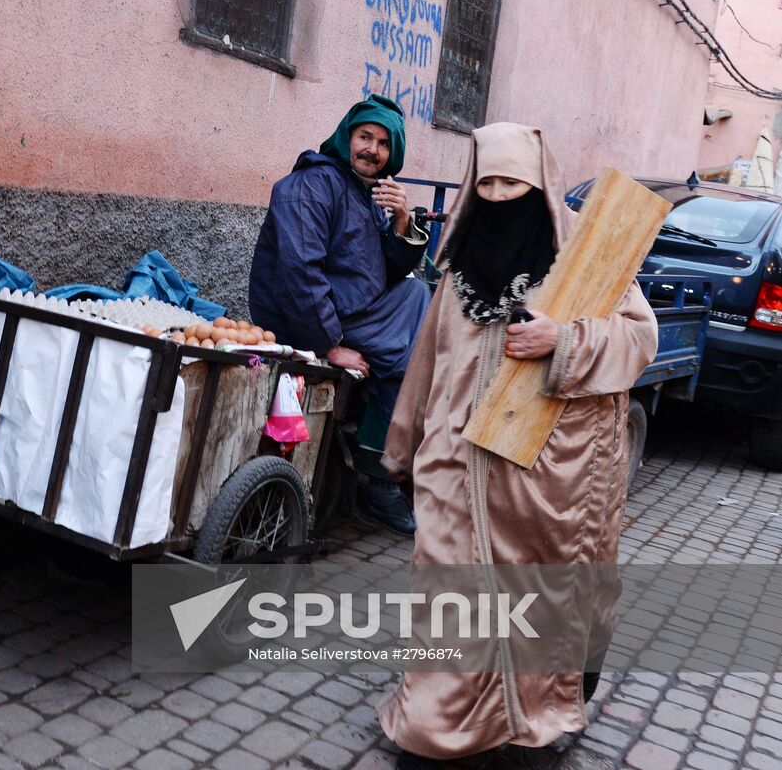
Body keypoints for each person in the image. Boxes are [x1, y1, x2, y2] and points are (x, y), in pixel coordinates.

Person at [377, 123, 657, 768]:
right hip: (451, 461)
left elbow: (640, 340)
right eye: (488, 183)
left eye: (515, 184)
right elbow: (427, 362)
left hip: (538, 473)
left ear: (541, 188)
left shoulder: (586, 264)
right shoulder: (454, 274)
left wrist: (565, 339)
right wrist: (403, 445)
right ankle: (433, 725)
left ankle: (528, 715)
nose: (501, 197)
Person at [249, 93, 431, 535]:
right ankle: (379, 478)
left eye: (383, 143)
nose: (372, 149)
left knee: (419, 301)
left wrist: (403, 223)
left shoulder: (364, 193)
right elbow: (298, 273)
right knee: (411, 350)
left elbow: (381, 270)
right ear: (347, 137)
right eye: (364, 136)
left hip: (349, 308)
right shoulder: (313, 185)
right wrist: (330, 346)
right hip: (305, 316)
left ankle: (384, 458)